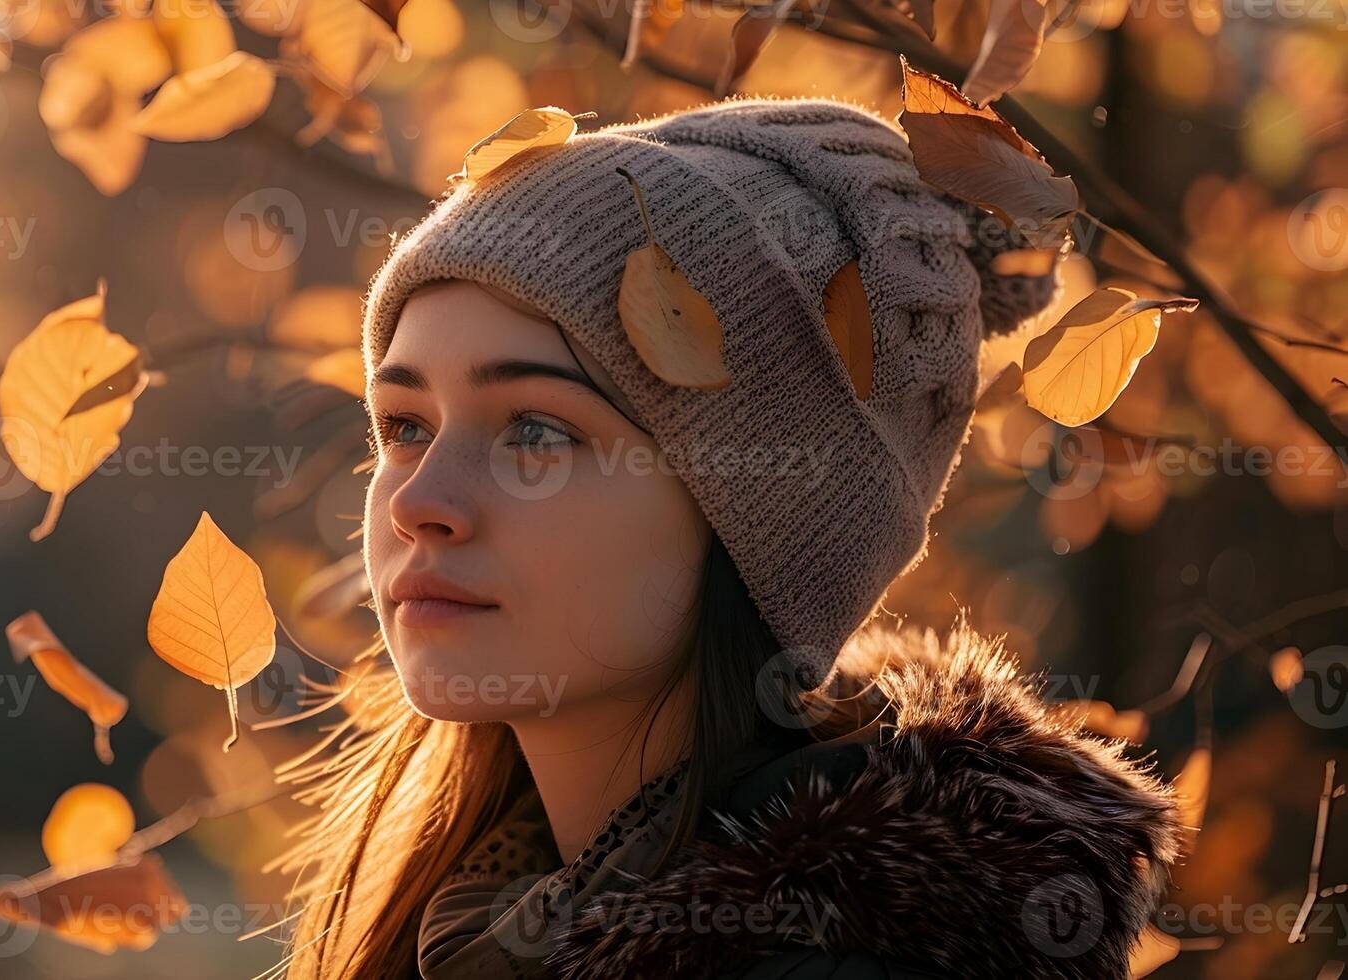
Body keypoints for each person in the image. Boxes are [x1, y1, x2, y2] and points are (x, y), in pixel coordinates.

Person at [271, 97, 1183, 979]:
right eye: (404, 425)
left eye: (537, 432)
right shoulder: (473, 908)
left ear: (758, 524)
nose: (417, 501)